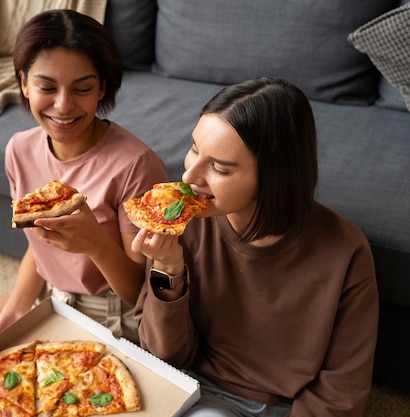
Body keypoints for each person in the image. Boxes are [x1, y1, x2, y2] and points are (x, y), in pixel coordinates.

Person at [0, 9, 168, 396]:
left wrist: (94, 243)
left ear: (103, 87)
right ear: (23, 84)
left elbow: (141, 291)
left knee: (56, 399)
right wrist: (17, 309)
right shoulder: (19, 149)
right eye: (47, 87)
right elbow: (38, 247)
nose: (64, 105)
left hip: (115, 315)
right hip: (52, 298)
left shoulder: (137, 165)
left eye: (82, 88)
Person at [132, 78, 378, 416]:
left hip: (267, 405)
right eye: (193, 149)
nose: (189, 177)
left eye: (218, 167)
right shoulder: (180, 217)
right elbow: (162, 354)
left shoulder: (344, 251)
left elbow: (341, 393)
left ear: (274, 176)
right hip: (179, 382)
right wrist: (168, 270)